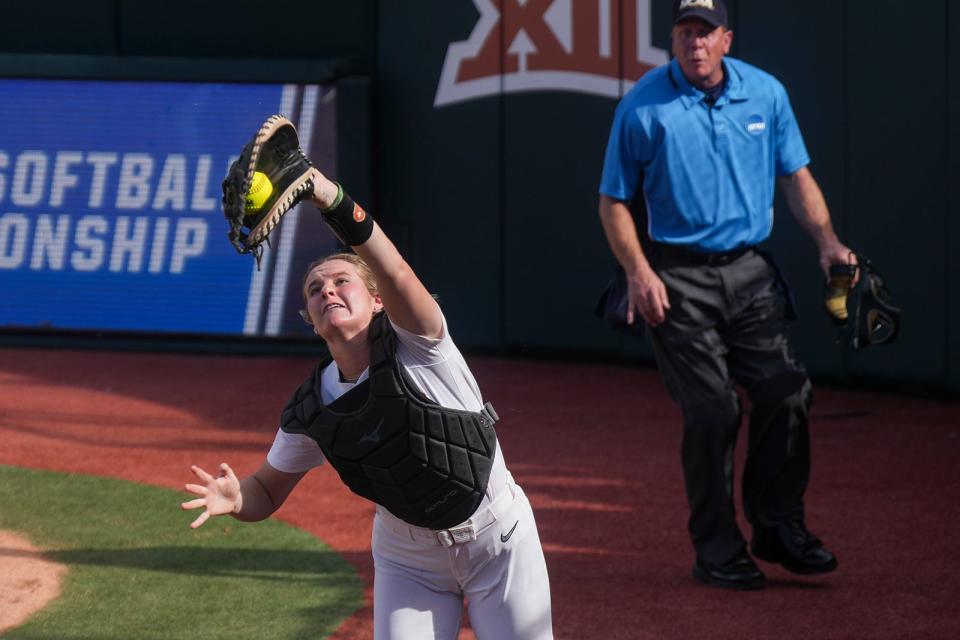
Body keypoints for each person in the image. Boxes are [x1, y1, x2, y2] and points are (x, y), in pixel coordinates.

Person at [182, 165, 554, 638]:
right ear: (311, 321)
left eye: (341, 281)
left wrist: (328, 196)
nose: (326, 291)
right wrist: (238, 500)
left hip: (496, 539)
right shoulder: (312, 409)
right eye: (314, 290)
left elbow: (394, 269)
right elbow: (267, 490)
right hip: (409, 559)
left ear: (377, 300)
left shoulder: (421, 342)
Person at [598, 0, 850, 590]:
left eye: (706, 32)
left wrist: (828, 244)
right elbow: (612, 201)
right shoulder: (642, 107)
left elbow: (796, 175)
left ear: (726, 39)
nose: (696, 43)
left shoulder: (767, 95)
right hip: (676, 278)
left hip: (749, 272)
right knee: (713, 411)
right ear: (675, 40)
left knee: (787, 391)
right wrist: (638, 272)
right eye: (686, 31)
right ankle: (716, 547)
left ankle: (777, 526)